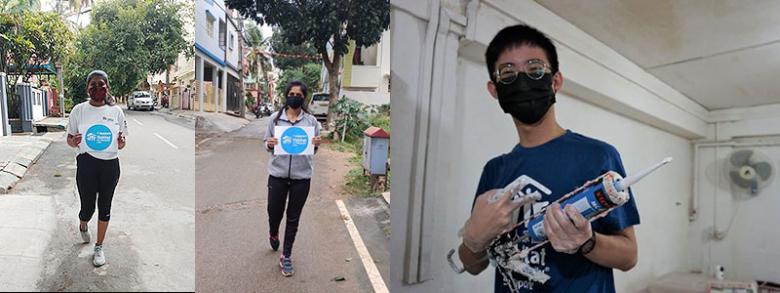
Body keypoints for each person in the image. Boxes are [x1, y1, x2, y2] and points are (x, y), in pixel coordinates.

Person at [457, 24, 640, 292]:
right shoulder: (495, 170)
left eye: (534, 70)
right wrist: (473, 240)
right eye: (508, 73)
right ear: (494, 90)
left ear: (555, 81)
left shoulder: (599, 156)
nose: (522, 81)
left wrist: (587, 242)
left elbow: (629, 256)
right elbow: (473, 265)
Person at [66, 70, 128, 267]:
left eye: (101, 84)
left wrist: (120, 142)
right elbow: (69, 139)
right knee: (88, 207)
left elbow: (121, 143)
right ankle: (83, 222)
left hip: (110, 165)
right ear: (87, 88)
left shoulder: (116, 112)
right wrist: (74, 141)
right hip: (86, 163)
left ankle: (99, 246)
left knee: (105, 206)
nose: (97, 88)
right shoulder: (79, 110)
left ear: (107, 88)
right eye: (93, 85)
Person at [263, 80, 322, 277]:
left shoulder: (311, 122)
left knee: (293, 217)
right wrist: (270, 144)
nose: (294, 97)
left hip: (302, 177)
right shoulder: (275, 119)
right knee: (274, 212)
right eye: (291, 93)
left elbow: (313, 148)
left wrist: (315, 143)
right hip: (277, 175)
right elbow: (267, 142)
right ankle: (273, 232)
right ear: (286, 95)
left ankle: (286, 255)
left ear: (303, 98)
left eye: (298, 94)